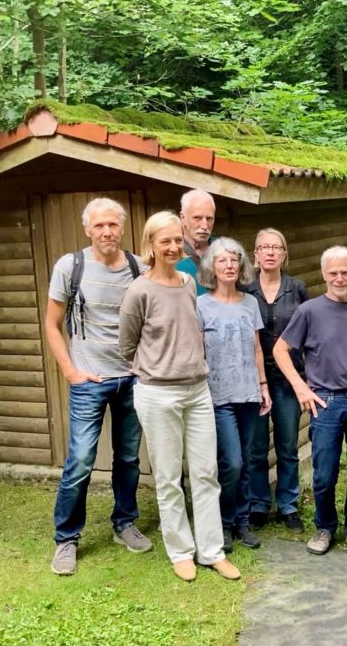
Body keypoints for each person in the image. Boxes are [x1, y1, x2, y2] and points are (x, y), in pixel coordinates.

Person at [118, 211, 239, 582]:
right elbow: (126, 346)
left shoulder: (189, 282)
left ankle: (212, 551)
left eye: (176, 240)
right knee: (170, 477)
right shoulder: (139, 290)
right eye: (164, 241)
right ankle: (180, 551)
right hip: (158, 394)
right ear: (150, 246)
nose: (172, 247)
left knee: (206, 473)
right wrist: (159, 366)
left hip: (197, 390)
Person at [46, 197, 151, 576]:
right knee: (80, 461)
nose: (107, 231)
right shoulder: (69, 267)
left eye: (113, 225)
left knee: (128, 458)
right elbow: (51, 323)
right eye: (99, 225)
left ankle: (124, 523)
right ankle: (66, 539)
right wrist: (71, 371)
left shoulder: (139, 267)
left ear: (122, 228)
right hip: (89, 379)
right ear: (87, 229)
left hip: (131, 379)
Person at [273, 246, 347, 559]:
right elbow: (280, 350)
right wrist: (301, 388)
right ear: (324, 275)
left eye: (345, 272)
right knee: (324, 473)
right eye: (333, 273)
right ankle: (324, 527)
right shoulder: (309, 311)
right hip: (325, 402)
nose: (339, 278)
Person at [197, 237, 272, 552]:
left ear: (241, 266)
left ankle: (241, 523)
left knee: (248, 459)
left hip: (248, 392)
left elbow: (256, 347)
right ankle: (224, 523)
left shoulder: (250, 302)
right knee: (232, 462)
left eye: (233, 260)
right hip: (217, 396)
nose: (228, 266)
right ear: (212, 267)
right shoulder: (201, 304)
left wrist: (263, 386)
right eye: (222, 260)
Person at [240, 228, 309, 532]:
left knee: (287, 445)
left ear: (284, 254)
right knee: (255, 446)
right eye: (263, 247)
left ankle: (288, 504)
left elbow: (308, 333)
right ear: (255, 255)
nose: (269, 252)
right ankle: (257, 504)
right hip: (253, 379)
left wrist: (306, 377)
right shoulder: (244, 290)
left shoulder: (297, 288)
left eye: (275, 247)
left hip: (288, 377)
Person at [176, 189, 216, 295]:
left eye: (209, 218)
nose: (204, 225)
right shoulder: (172, 253)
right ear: (183, 218)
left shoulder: (224, 249)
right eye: (197, 218)